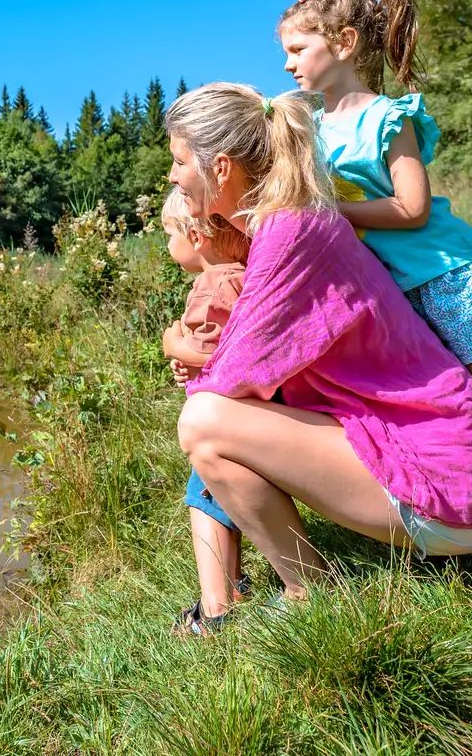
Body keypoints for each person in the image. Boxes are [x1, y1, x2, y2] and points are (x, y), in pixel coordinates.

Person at [276, 0, 472, 612]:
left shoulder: (387, 118)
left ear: (345, 43)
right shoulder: (315, 130)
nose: (289, 62)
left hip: (447, 276)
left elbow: (412, 208)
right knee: (463, 409)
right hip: (392, 298)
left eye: (299, 48)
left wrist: (336, 213)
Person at [167, 82, 472, 607]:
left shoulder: (290, 232)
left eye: (178, 162)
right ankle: (263, 591)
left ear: (220, 168)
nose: (173, 176)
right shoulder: (294, 223)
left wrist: (175, 344)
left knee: (203, 422)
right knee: (211, 417)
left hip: (452, 489)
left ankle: (310, 593)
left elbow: (230, 378)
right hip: (463, 478)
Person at [157, 187, 252, 634]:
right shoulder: (246, 274)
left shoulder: (213, 284)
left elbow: (217, 351)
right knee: (225, 501)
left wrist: (174, 345)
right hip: (247, 412)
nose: (166, 244)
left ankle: (214, 614)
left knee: (205, 500)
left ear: (196, 236)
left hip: (226, 418)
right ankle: (233, 586)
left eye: (168, 234)